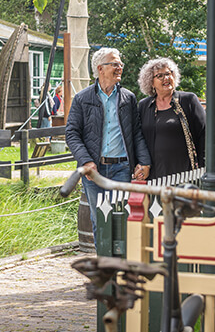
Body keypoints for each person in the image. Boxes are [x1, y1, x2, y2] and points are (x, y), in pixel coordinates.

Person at [66, 47, 151, 242]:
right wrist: (86, 161)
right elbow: (71, 133)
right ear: (100, 68)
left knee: (122, 219)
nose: (120, 67)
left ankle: (121, 267)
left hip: (122, 168)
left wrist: (144, 161)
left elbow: (136, 132)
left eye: (120, 63)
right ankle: (106, 267)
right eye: (115, 64)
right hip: (94, 171)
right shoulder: (82, 99)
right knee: (100, 221)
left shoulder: (128, 98)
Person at [137, 58, 205, 180]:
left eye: (168, 73)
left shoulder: (188, 100)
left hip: (185, 174)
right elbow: (138, 137)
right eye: (160, 76)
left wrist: (203, 167)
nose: (166, 78)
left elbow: (205, 134)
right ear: (151, 82)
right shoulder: (144, 105)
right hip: (155, 175)